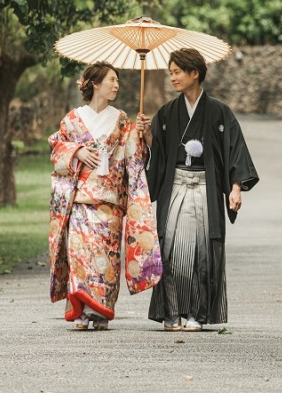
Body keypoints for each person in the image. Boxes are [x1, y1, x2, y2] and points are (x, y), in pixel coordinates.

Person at [138, 48, 259, 332]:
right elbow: (157, 155)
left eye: (178, 72)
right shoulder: (167, 112)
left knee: (202, 252)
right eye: (171, 73)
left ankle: (196, 312)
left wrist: (235, 188)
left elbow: (235, 151)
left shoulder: (219, 112)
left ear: (195, 73)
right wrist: (147, 135)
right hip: (176, 186)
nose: (173, 78)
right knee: (169, 247)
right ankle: (171, 311)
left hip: (205, 187)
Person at [48, 61, 163, 331]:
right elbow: (57, 148)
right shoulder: (73, 119)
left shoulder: (122, 119)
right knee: (79, 254)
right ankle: (80, 309)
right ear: (96, 83)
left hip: (109, 201)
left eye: (118, 81)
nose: (116, 85)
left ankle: (99, 311)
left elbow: (133, 155)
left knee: (106, 257)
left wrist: (142, 133)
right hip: (80, 200)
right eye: (112, 80)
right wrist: (76, 152)